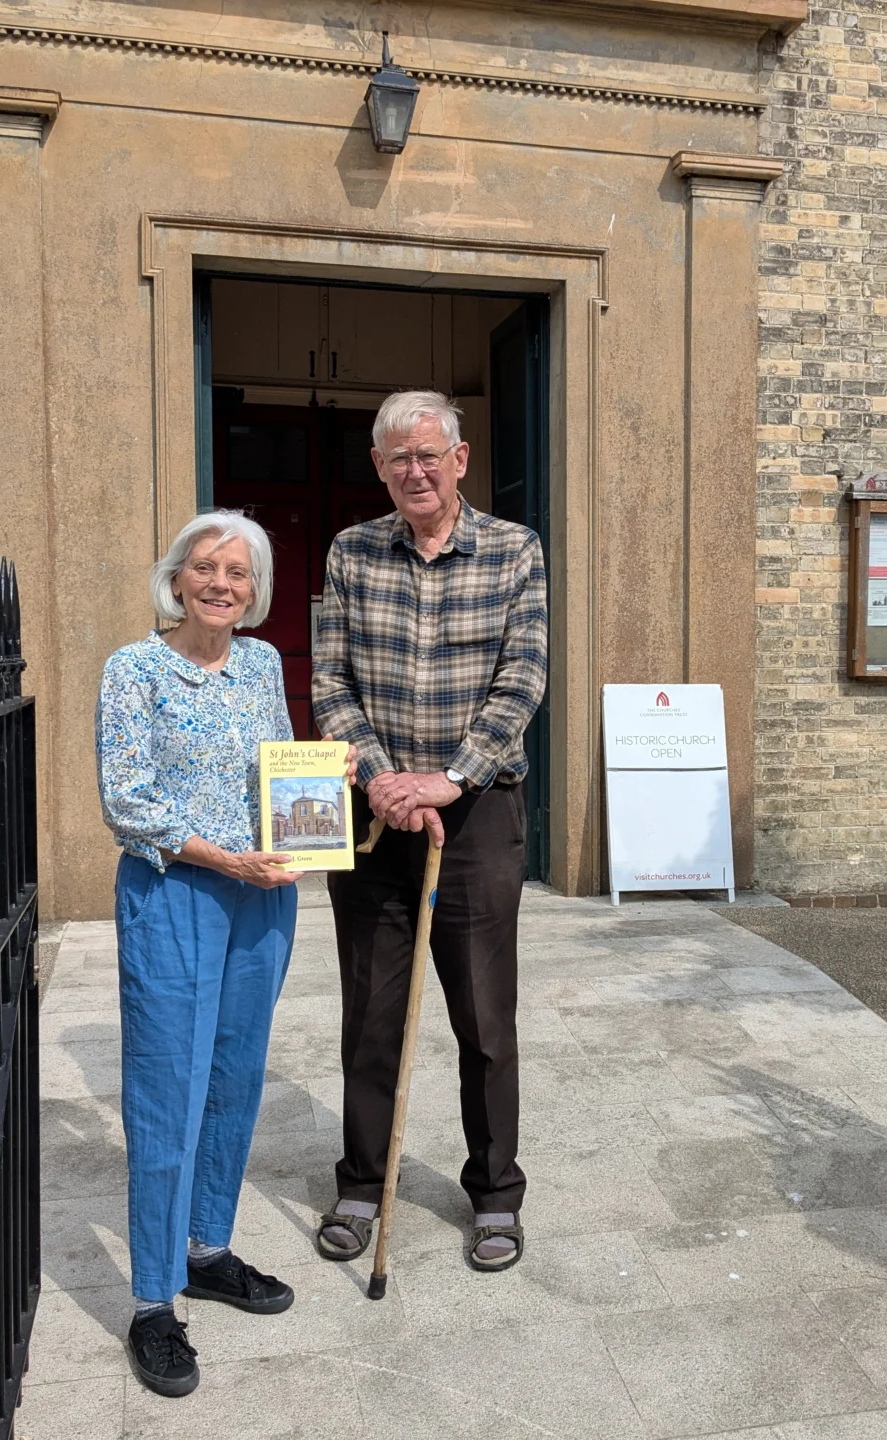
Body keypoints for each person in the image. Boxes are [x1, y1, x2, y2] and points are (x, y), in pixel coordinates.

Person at [95, 510, 354, 1398]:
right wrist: (225, 858)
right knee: (167, 1089)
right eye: (205, 567)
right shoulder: (134, 669)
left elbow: (272, 771)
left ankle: (207, 1249)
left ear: (256, 590)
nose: (220, 584)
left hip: (260, 897)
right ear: (176, 578)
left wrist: (323, 784)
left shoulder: (261, 663)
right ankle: (152, 1300)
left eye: (237, 573)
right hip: (177, 891)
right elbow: (128, 802)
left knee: (236, 1078)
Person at [311, 389, 548, 1273]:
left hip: (475, 813)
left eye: (429, 455)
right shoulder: (351, 552)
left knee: (484, 1020)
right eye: (398, 458)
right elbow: (330, 681)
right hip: (376, 817)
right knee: (371, 1013)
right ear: (379, 467)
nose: (416, 471)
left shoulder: (515, 550)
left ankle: (495, 1193)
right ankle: (363, 1181)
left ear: (460, 459)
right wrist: (384, 780)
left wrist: (448, 780)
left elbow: (523, 679)